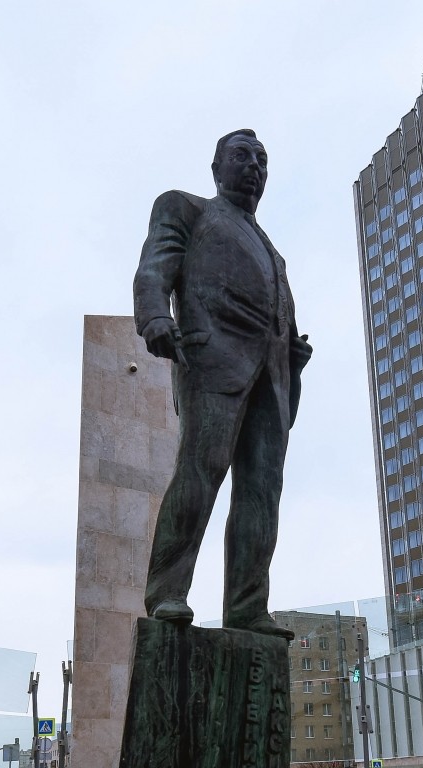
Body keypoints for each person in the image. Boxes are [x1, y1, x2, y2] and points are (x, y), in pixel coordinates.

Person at [133, 129, 312, 638]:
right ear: (217, 168)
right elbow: (153, 269)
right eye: (242, 156)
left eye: (262, 159)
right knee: (200, 471)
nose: (254, 165)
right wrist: (153, 318)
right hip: (212, 359)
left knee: (262, 494)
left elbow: (278, 314)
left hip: (272, 378)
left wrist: (292, 352)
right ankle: (167, 592)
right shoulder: (185, 209)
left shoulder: (273, 251)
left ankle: (248, 607)